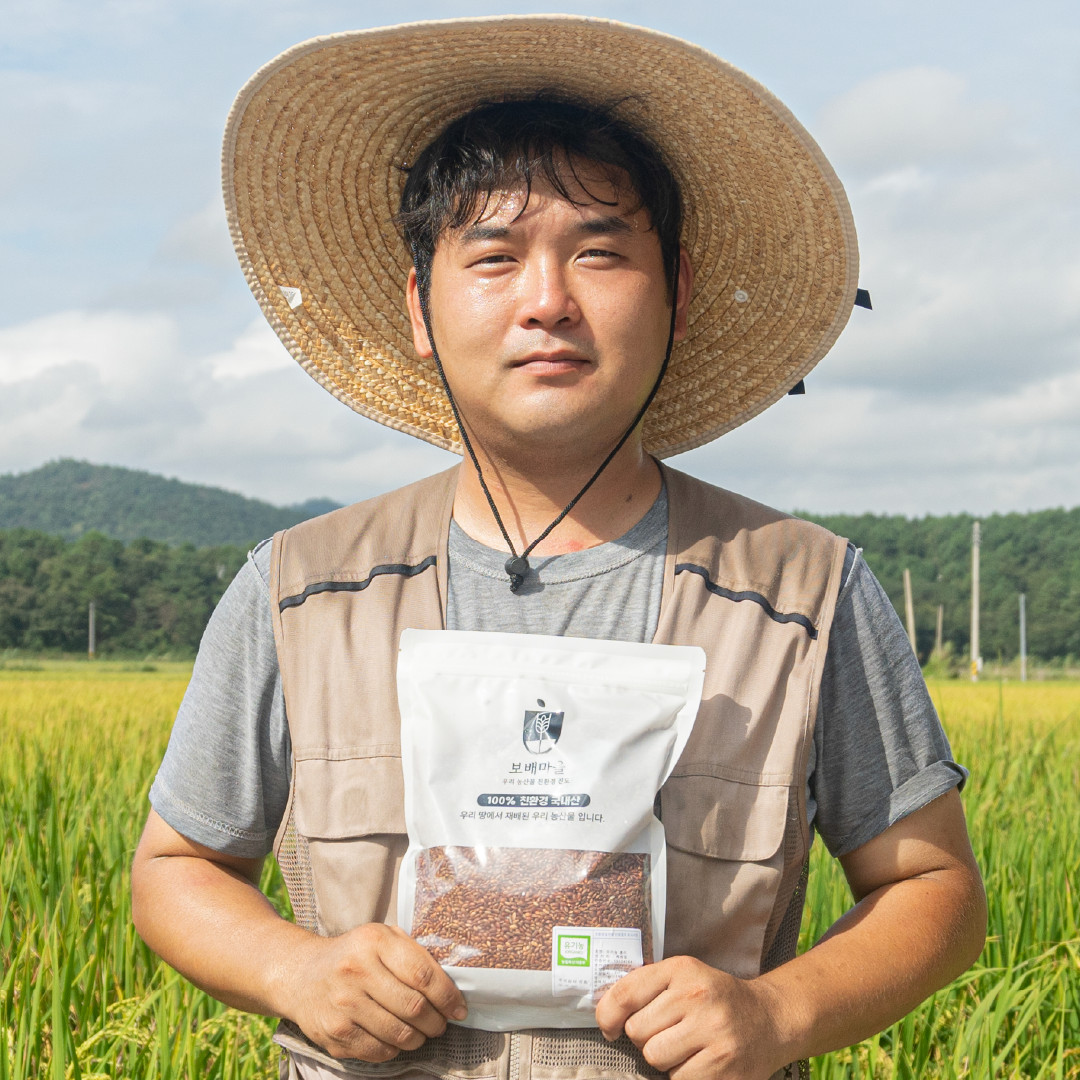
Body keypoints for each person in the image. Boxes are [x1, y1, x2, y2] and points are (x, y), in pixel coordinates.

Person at [131, 16, 986, 1080]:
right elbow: (177, 866)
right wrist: (293, 972)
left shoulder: (801, 594)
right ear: (420, 309)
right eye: (493, 256)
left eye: (599, 252)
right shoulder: (304, 593)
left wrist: (780, 1012)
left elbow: (935, 891)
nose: (548, 302)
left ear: (673, 294)